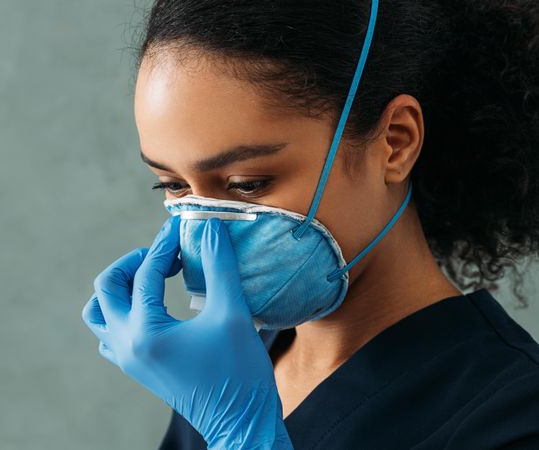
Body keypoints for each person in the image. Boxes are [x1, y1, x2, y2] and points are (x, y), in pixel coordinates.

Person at [82, 0, 539, 448]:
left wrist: (244, 436)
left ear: (396, 143)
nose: (204, 229)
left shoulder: (513, 415)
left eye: (246, 183)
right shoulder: (227, 372)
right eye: (173, 186)